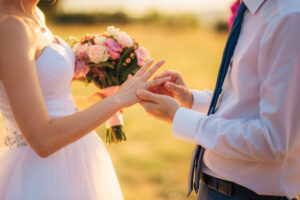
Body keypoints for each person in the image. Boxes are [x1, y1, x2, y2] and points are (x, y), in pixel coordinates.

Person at [0, 0, 169, 199]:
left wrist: (92, 102)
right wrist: (118, 100)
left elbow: (46, 102)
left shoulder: (35, 13)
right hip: (41, 173)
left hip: (76, 160)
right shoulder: (11, 27)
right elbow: (42, 139)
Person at [137, 0, 300, 199]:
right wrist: (190, 100)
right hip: (216, 188)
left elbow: (273, 141)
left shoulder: (288, 18)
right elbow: (244, 102)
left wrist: (179, 118)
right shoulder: (252, 11)